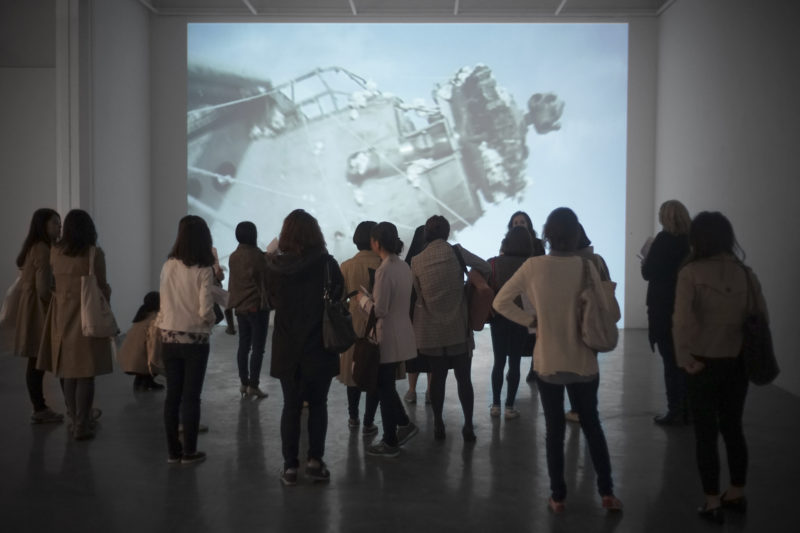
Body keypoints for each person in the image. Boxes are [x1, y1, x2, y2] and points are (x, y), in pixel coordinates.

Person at [493, 207, 623, 513]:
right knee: (592, 426)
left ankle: (558, 497)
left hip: (548, 360)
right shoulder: (587, 267)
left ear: (547, 234)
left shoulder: (533, 266)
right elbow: (609, 311)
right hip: (584, 361)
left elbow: (500, 302)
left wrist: (531, 321)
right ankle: (606, 493)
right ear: (576, 233)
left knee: (554, 431)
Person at [673, 211, 764, 524]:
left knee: (706, 435)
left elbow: (681, 321)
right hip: (737, 362)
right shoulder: (746, 273)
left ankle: (712, 501)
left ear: (696, 238)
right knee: (733, 428)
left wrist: (684, 359)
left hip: (702, 362)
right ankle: (736, 493)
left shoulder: (691, 272)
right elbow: (759, 317)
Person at [265, 209, 342, 485]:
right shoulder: (327, 264)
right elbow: (337, 297)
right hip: (319, 345)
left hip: (288, 347)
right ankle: (314, 461)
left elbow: (271, 301)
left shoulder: (275, 267)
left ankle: (289, 467)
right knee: (318, 405)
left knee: (291, 406)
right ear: (315, 233)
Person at [410, 215, 490, 442]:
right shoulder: (456, 252)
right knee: (464, 379)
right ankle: (468, 426)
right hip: (458, 329)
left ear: (426, 234)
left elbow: (418, 294)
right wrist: (468, 283)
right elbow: (484, 266)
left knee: (438, 379)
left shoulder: (416, 260)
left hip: (432, 332)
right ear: (447, 233)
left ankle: (438, 423)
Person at [37, 209, 114, 441]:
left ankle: (73, 419)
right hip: (86, 319)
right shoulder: (94, 254)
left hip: (61, 317)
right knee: (86, 374)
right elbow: (102, 287)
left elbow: (50, 284)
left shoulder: (55, 252)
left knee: (68, 373)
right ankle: (83, 423)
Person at [156, 215, 217, 465]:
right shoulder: (204, 269)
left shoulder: (168, 265)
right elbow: (205, 311)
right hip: (195, 340)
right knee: (191, 396)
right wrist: (212, 319)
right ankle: (190, 451)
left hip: (169, 336)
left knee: (173, 395)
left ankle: (173, 452)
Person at [357, 222, 419, 457]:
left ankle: (391, 440)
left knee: (384, 388)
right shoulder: (403, 266)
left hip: (387, 336)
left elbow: (380, 309)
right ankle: (403, 424)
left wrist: (362, 300)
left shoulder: (384, 270)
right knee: (387, 386)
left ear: (376, 242)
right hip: (402, 332)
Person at [642, 200, 691, 425]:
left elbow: (648, 272)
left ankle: (675, 411)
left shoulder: (662, 241)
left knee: (671, 364)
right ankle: (689, 410)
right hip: (688, 308)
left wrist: (646, 257)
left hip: (663, 310)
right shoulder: (692, 242)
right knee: (688, 362)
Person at [12, 208, 64, 423]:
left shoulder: (34, 247)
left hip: (31, 310)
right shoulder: (43, 249)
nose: (59, 227)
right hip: (39, 312)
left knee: (35, 361)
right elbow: (43, 289)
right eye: (55, 223)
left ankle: (40, 407)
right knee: (53, 359)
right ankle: (57, 409)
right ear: (43, 225)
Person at [564, 223, 615, 424]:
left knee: (570, 366)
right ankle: (590, 407)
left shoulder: (565, 262)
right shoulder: (597, 260)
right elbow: (607, 285)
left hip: (571, 321)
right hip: (594, 321)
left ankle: (576, 408)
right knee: (591, 364)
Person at [337, 221, 381, 434]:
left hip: (352, 327)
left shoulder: (346, 266)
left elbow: (340, 299)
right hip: (378, 327)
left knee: (352, 373)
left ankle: (353, 417)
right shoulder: (383, 263)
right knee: (374, 372)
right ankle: (368, 421)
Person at [487, 226, 533, 420]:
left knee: (499, 362)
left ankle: (495, 405)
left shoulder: (494, 263)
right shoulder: (531, 265)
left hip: (498, 318)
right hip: (521, 319)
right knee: (514, 363)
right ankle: (509, 407)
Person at [228, 221, 270, 399]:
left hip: (240, 307)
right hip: (256, 308)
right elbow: (266, 275)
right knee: (258, 348)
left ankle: (244, 383)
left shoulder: (233, 256)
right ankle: (253, 385)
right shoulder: (257, 256)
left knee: (243, 346)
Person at [507, 211, 546, 383]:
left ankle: (534, 368)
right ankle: (513, 369)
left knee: (535, 334)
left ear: (528, 224)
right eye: (516, 222)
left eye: (522, 222)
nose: (519, 224)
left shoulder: (537, 244)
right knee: (514, 335)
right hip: (516, 296)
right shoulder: (506, 244)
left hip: (534, 294)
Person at [402, 225, 431, 405]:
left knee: (414, 356)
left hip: (413, 316)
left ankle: (412, 390)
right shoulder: (432, 261)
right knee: (431, 355)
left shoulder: (408, 262)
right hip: (431, 316)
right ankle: (429, 390)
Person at [117, 291, 164, 392]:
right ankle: (145, 382)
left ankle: (142, 380)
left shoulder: (141, 316)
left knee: (144, 356)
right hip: (137, 362)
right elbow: (154, 345)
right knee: (162, 358)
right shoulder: (154, 320)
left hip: (125, 360)